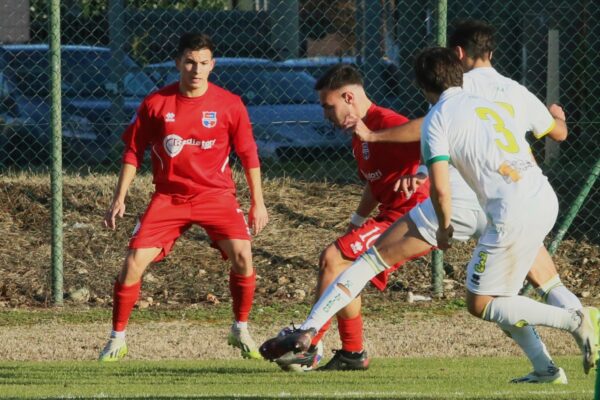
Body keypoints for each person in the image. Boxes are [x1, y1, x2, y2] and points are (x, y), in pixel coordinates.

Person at [260, 47, 600, 381]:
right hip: (538, 196)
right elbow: (539, 139)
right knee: (515, 293)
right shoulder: (494, 101)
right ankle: (546, 369)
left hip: (488, 206)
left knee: (405, 274)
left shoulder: (437, 118)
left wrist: (444, 226)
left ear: (423, 87)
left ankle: (575, 319)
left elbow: (440, 187)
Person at [332, 20, 580, 383]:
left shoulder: (458, 89)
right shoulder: (514, 89)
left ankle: (577, 326)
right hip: (527, 192)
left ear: (458, 54)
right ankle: (559, 357)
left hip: (480, 202)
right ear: (491, 52)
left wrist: (376, 136)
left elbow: (428, 125)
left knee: (486, 301)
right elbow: (559, 133)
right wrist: (556, 117)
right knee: (543, 281)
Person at [98, 32, 268, 362]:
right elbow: (133, 151)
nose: (196, 69)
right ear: (178, 63)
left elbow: (248, 154)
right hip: (169, 198)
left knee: (243, 256)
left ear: (212, 65)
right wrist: (119, 197)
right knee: (132, 263)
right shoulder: (155, 103)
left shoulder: (229, 104)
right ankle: (117, 339)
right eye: (190, 61)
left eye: (204, 63)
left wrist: (257, 203)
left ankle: (240, 329)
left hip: (215, 196)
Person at [274, 64, 431, 372]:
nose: (326, 115)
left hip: (412, 216)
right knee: (343, 270)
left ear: (348, 96)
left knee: (333, 258)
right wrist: (357, 223)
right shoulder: (361, 134)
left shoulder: (387, 123)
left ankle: (310, 343)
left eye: (329, 106)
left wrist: (421, 174)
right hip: (391, 216)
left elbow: (433, 141)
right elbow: (376, 183)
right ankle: (352, 353)